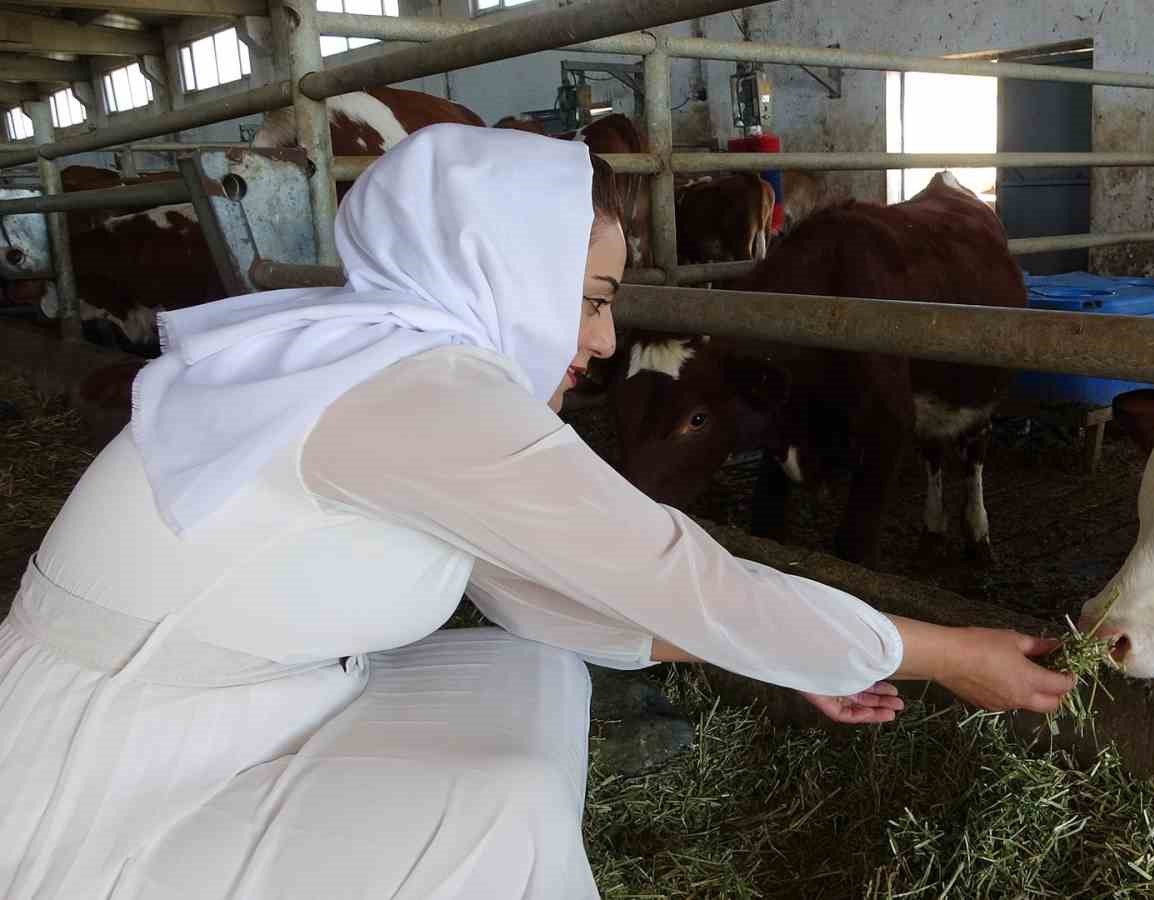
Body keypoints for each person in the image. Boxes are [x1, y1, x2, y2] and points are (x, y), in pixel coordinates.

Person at [0, 123, 1074, 899]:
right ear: (498, 272)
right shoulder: (419, 394)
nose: (603, 343)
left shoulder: (385, 367)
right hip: (106, 780)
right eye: (593, 299)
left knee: (529, 675)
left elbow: (552, 603)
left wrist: (791, 654)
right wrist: (942, 653)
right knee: (490, 820)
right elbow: (681, 571)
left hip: (235, 706)